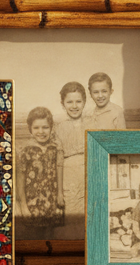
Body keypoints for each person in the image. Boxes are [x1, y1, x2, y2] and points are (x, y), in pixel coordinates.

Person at [17, 107, 64, 237]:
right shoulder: (26, 150)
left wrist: (60, 194)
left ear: (51, 128)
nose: (41, 132)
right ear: (30, 129)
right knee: (34, 237)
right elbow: (20, 179)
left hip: (51, 201)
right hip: (32, 203)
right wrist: (24, 206)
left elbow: (59, 170)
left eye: (45, 127)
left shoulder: (54, 148)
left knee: (50, 236)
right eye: (36, 128)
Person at [55, 81, 88, 226]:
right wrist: (60, 192)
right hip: (69, 180)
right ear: (63, 104)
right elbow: (59, 162)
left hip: (89, 176)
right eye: (69, 102)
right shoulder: (59, 128)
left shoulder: (93, 123)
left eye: (78, 101)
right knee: (73, 220)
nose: (74, 106)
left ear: (84, 102)